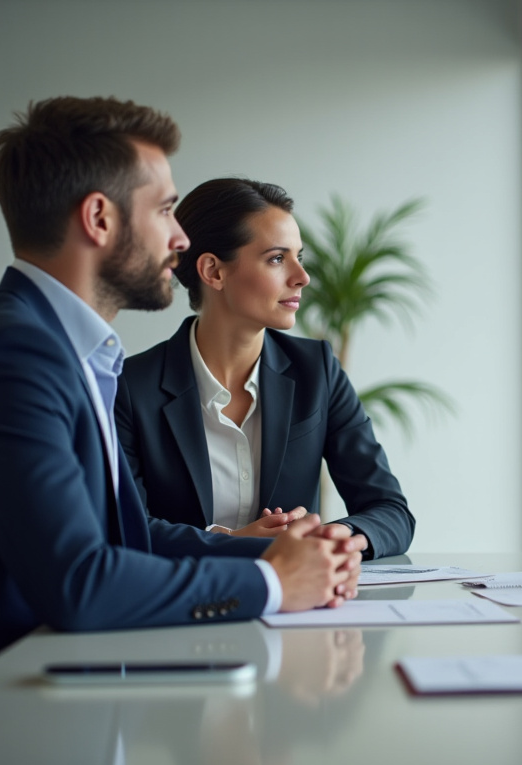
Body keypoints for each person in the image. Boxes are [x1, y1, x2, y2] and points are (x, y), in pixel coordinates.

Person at [0, 97, 364, 678]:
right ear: (99, 219)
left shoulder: (64, 349)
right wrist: (272, 582)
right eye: (166, 211)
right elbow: (82, 583)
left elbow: (129, 536)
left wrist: (294, 555)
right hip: (13, 709)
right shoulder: (12, 356)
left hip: (67, 680)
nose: (180, 239)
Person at [114, 177, 414, 558]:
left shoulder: (317, 372)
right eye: (277, 258)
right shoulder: (130, 387)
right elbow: (126, 529)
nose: (302, 277)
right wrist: (231, 545)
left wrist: (331, 539)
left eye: (298, 257)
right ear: (213, 271)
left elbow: (391, 512)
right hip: (185, 605)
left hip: (298, 608)